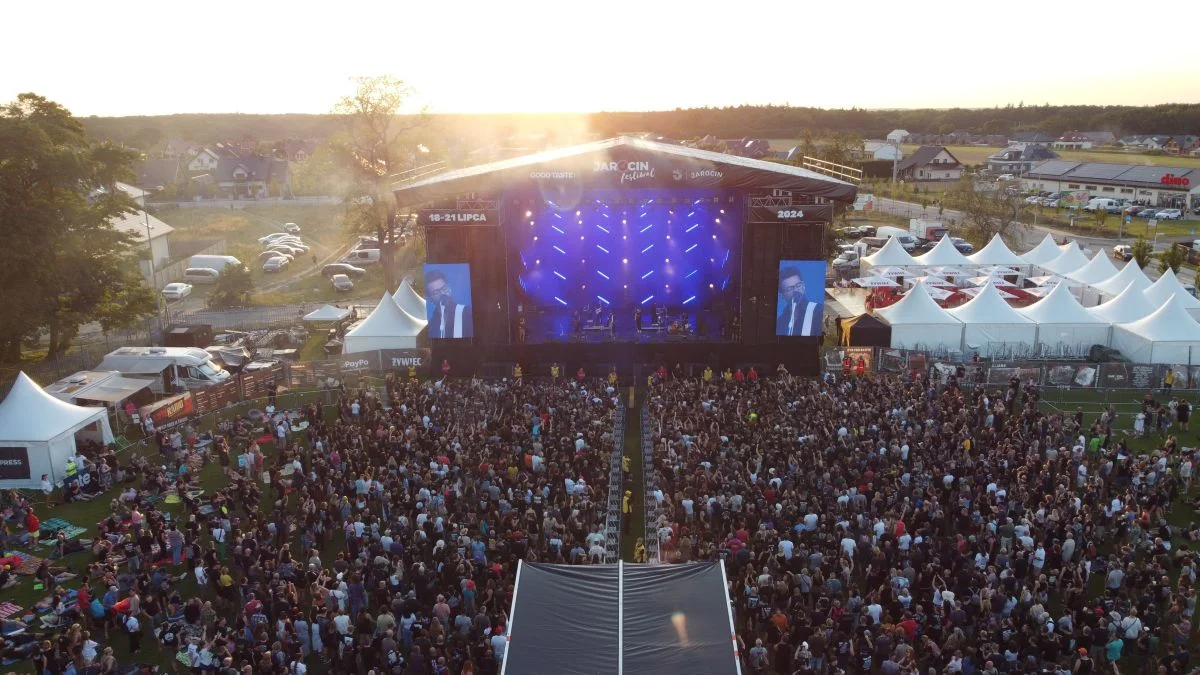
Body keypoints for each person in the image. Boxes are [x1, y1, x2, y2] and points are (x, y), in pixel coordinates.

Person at [426, 269, 473, 339]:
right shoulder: (431, 326)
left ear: (449, 288)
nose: (442, 293)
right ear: (430, 299)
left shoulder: (468, 313)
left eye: (444, 288)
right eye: (436, 292)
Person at [776, 265, 819, 336]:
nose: (796, 290)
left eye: (798, 285)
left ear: (803, 285)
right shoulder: (780, 322)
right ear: (782, 295)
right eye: (789, 289)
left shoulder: (818, 311)